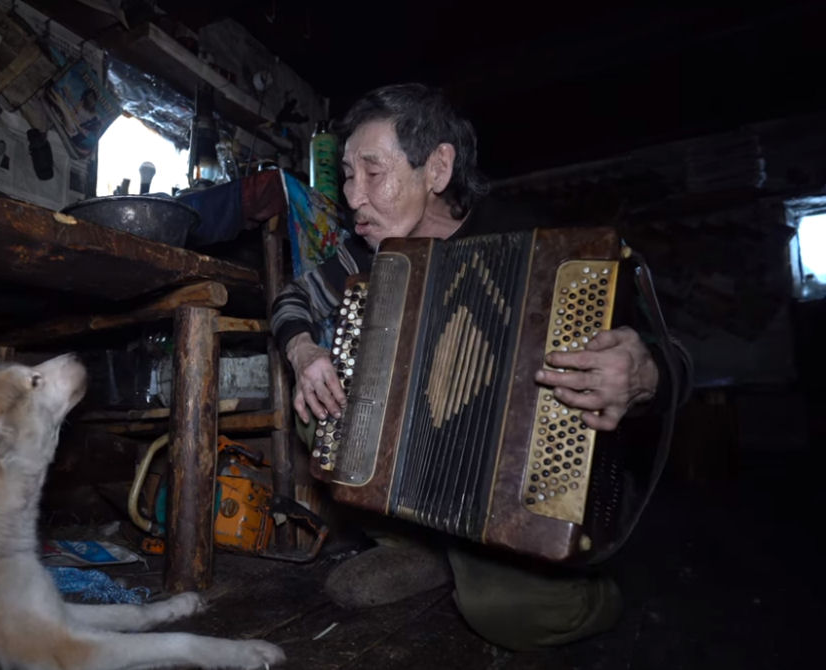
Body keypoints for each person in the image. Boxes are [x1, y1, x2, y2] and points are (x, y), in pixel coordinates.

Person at [271, 83, 693, 650]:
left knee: (507, 613)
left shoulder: (543, 246)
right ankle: (426, 551)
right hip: (427, 479)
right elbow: (291, 302)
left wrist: (645, 374)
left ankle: (605, 587)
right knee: (322, 409)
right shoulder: (365, 254)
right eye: (347, 175)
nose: (352, 197)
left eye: (372, 173)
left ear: (437, 167)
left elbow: (679, 354)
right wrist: (306, 352)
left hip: (526, 490)